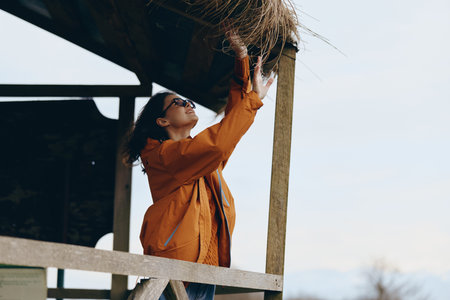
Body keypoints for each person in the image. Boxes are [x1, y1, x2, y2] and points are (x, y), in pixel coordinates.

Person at [123, 27, 274, 300]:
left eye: (188, 100)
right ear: (162, 121)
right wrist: (253, 101)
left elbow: (226, 131)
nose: (188, 104)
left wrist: (241, 62)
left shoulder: (198, 160)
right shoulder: (165, 157)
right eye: (178, 103)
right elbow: (217, 142)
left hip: (203, 273)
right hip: (173, 275)